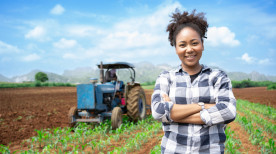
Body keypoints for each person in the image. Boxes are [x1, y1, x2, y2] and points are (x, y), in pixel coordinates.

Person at [151, 9, 236, 153]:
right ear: (176, 48)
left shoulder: (218, 77)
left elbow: (228, 111)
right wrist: (204, 106)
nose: (189, 49)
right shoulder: (166, 77)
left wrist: (173, 114)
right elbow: (158, 112)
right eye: (182, 45)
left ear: (202, 44)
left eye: (194, 43)